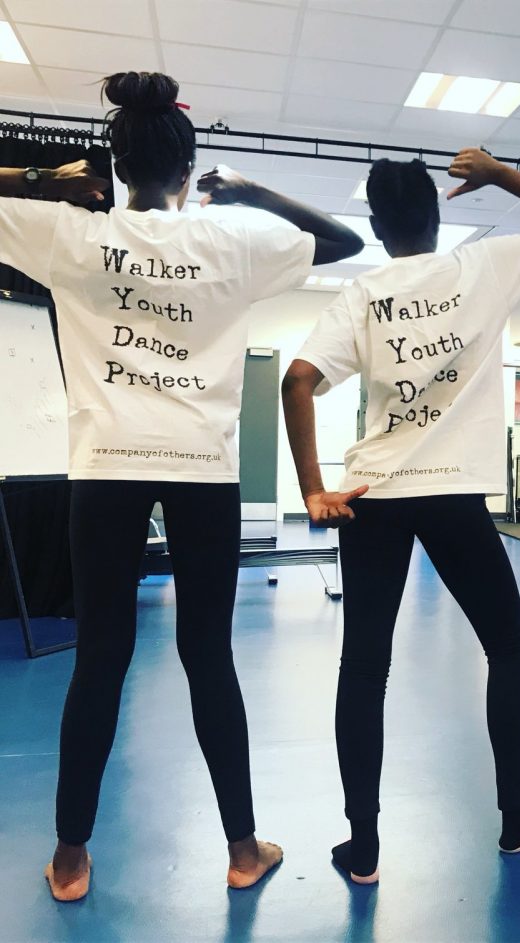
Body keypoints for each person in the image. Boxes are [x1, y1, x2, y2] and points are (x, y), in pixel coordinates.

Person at [0, 70, 363, 901]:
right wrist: (252, 191)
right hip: (204, 471)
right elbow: (341, 243)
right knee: (209, 659)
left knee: (99, 660)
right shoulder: (231, 236)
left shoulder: (72, 234)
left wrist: (34, 180)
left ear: (116, 166)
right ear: (189, 161)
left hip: (108, 466)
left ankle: (68, 858)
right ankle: (243, 850)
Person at [281, 147, 520, 883]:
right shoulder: (482, 267)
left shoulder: (362, 294)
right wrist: (500, 176)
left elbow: (299, 381)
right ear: (436, 213)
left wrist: (312, 488)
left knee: (364, 669)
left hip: (373, 497)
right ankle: (514, 819)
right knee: (508, 648)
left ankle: (362, 847)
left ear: (376, 223)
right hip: (454, 495)